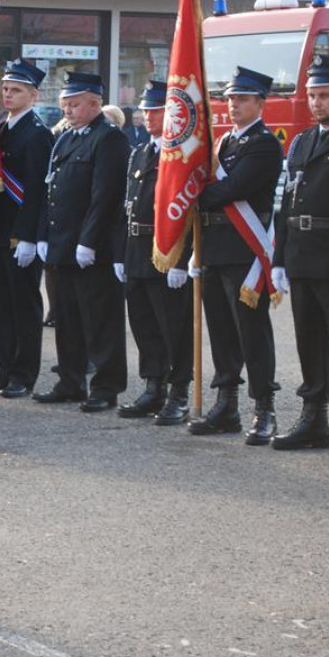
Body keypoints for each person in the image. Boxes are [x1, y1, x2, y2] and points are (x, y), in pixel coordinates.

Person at [188, 67, 282, 445]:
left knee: (251, 333)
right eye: (230, 98)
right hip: (215, 248)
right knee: (222, 332)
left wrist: (194, 193)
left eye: (242, 99)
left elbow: (234, 189)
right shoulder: (224, 142)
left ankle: (265, 409)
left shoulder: (264, 143)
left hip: (244, 251)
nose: (233, 105)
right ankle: (226, 404)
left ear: (260, 103)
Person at [33, 72, 129, 412]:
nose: (68, 111)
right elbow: (51, 190)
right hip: (63, 244)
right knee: (67, 318)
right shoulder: (66, 138)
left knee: (101, 319)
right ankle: (70, 381)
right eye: (65, 105)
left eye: (74, 104)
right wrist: (44, 234)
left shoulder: (109, 138)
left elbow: (105, 196)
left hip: (94, 249)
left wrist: (88, 240)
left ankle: (105, 386)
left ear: (95, 103)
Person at [271, 54, 329, 460]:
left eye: (325, 95)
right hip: (301, 255)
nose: (316, 103)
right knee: (309, 341)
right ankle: (314, 420)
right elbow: (285, 204)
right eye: (312, 95)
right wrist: (279, 258)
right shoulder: (302, 141)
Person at [116, 81, 193, 424]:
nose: (149, 116)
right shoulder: (140, 152)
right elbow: (127, 207)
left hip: (168, 251)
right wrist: (121, 253)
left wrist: (184, 256)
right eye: (146, 110)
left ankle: (178, 392)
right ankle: (154, 386)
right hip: (136, 249)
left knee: (172, 325)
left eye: (157, 110)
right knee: (144, 324)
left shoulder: (181, 155)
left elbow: (188, 209)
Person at [0, 60, 53, 398]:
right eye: (5, 89)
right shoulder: (1, 130)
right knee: (2, 308)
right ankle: (5, 371)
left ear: (33, 95)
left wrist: (30, 236)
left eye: (16, 90)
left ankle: (24, 374)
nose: (7, 94)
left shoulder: (37, 134)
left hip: (20, 236)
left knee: (24, 307)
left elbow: (37, 190)